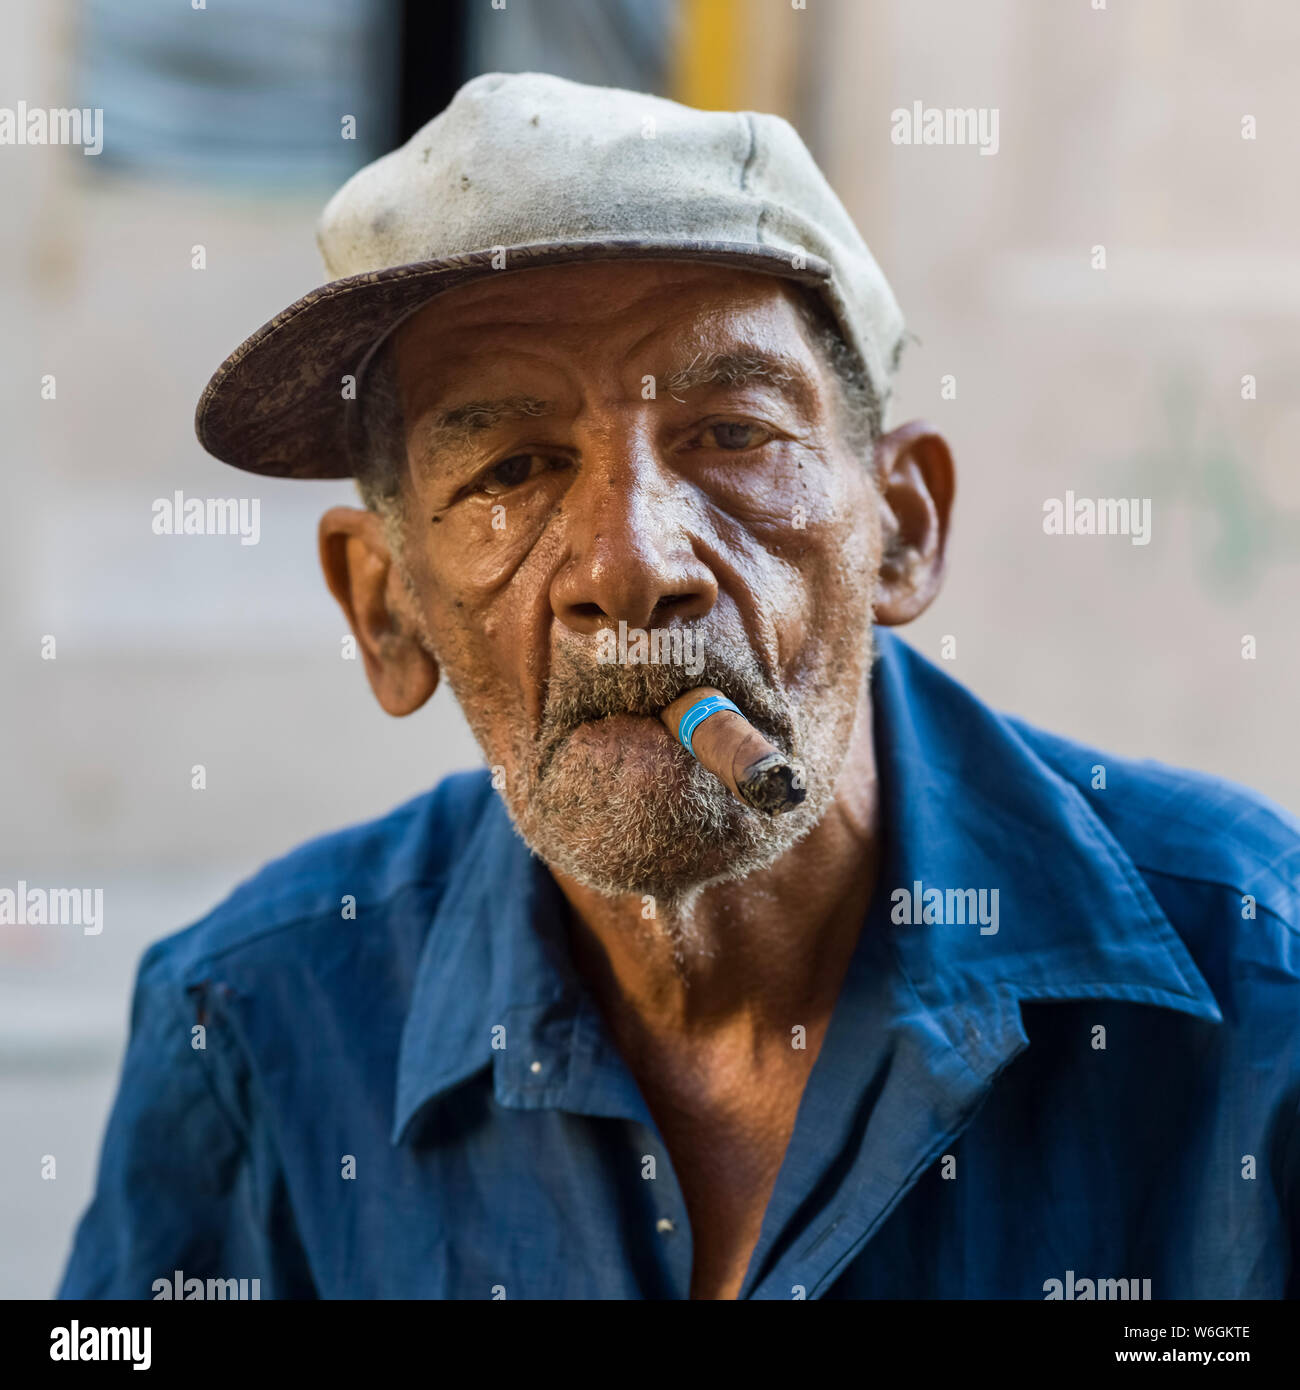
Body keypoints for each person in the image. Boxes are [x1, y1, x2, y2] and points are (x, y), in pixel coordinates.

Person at [60, 72, 1300, 1301]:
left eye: (731, 434)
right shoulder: (255, 1023)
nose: (633, 564)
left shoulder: (1257, 977)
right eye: (515, 467)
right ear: (387, 606)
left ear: (903, 531)